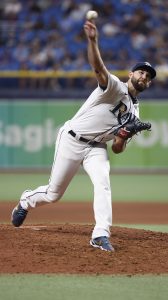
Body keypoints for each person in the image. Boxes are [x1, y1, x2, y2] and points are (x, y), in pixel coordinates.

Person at [11, 20, 156, 252]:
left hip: (97, 148)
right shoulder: (115, 87)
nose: (144, 77)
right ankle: (26, 200)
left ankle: (100, 234)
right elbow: (98, 68)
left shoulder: (135, 113)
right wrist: (92, 41)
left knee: (103, 184)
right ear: (131, 74)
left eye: (149, 77)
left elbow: (118, 148)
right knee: (53, 194)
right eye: (141, 72)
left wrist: (123, 134)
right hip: (72, 139)